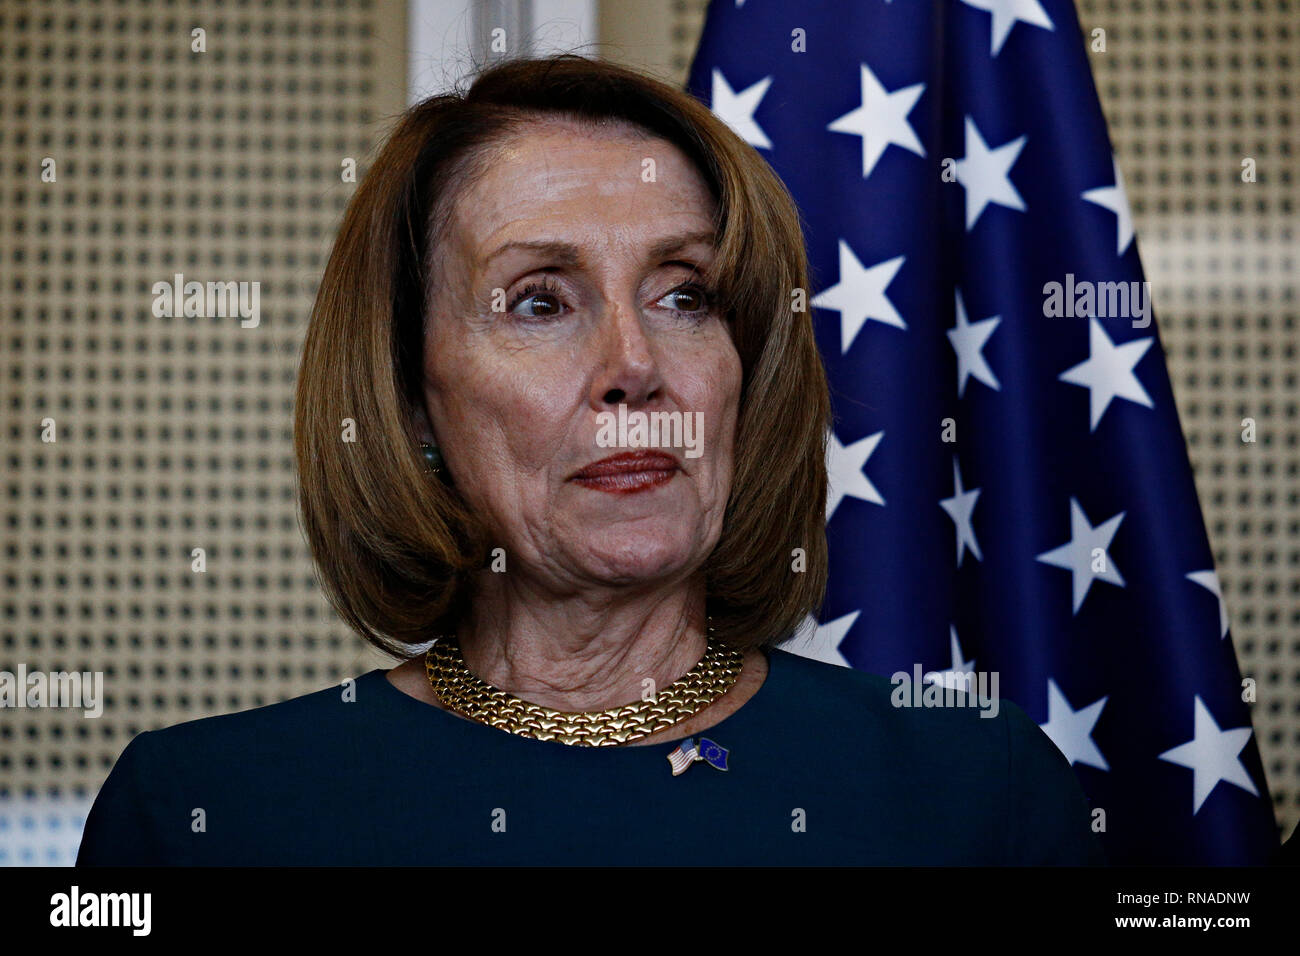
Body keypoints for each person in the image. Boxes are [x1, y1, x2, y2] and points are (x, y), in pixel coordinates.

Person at [77, 54, 1105, 866]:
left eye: (684, 294)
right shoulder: (204, 813)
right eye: (538, 300)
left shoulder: (977, 790)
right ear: (409, 395)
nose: (633, 366)